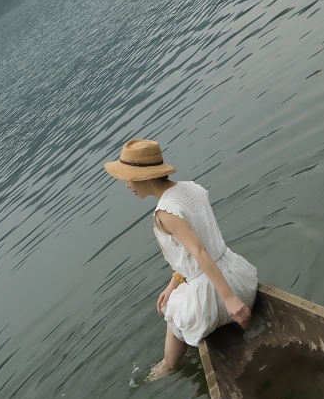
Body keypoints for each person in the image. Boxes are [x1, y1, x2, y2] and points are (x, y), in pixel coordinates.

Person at [104, 137, 258, 380]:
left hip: (221, 296)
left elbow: (198, 251)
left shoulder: (165, 211)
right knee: (173, 296)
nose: (127, 186)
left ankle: (169, 366)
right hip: (239, 278)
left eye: (127, 178)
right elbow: (197, 250)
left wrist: (229, 300)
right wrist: (174, 282)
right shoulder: (192, 188)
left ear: (144, 176)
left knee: (172, 312)